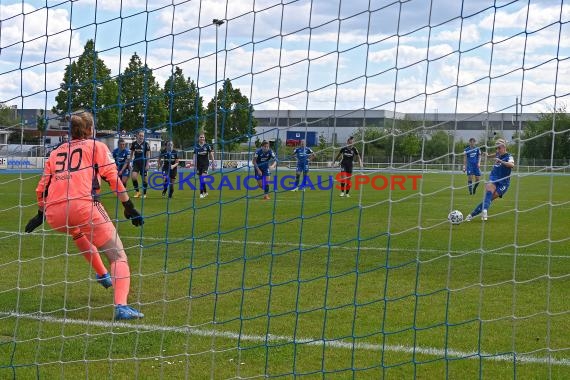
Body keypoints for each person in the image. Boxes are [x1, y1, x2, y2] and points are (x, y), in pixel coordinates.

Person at [24, 110, 145, 320]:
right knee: (117, 255)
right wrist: (129, 206)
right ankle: (122, 307)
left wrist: (40, 214)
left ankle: (101, 274)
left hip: (54, 213)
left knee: (77, 231)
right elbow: (113, 179)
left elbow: (41, 188)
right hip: (83, 206)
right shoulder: (97, 146)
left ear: (70, 131)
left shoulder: (55, 152)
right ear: (90, 129)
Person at [465, 139, 514, 221]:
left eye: (499, 148)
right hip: (494, 178)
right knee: (488, 192)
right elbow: (491, 156)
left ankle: (472, 214)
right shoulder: (498, 154)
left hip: (504, 183)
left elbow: (512, 165)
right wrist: (486, 155)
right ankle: (483, 211)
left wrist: (501, 161)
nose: (497, 150)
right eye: (496, 148)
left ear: (504, 147)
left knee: (488, 199)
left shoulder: (509, 156)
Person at [192, 133, 215, 199]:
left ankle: (201, 193)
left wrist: (213, 164)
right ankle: (206, 192)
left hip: (205, 164)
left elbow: (211, 155)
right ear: (198, 138)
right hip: (198, 165)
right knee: (201, 180)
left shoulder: (207, 146)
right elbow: (194, 155)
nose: (202, 138)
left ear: (204, 138)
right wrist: (194, 164)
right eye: (200, 137)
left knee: (202, 178)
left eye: (203, 137)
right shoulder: (196, 146)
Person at [130, 130, 150, 198]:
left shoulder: (146, 144)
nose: (141, 137)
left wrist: (147, 164)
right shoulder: (134, 144)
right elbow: (132, 153)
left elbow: (148, 155)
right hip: (136, 163)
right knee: (133, 177)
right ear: (137, 135)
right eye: (140, 135)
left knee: (144, 179)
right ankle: (137, 192)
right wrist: (130, 162)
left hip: (143, 163)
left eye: (143, 136)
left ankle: (144, 194)